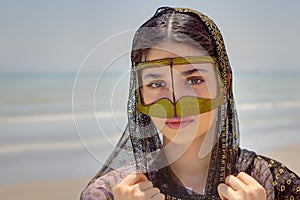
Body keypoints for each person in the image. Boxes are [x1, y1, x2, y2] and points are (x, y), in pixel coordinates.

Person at [80, 7, 300, 200]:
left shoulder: (274, 184)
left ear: (225, 82)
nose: (176, 102)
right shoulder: (108, 193)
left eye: (194, 80)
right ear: (139, 93)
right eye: (156, 83)